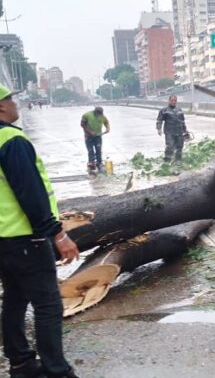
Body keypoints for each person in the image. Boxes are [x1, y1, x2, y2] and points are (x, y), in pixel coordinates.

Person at [0, 84, 80, 377]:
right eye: (11, 99)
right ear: (1, 106)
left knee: (14, 299)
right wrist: (58, 234)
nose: (15, 104)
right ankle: (56, 370)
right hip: (26, 238)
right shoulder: (10, 140)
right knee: (47, 305)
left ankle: (20, 363)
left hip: (3, 241)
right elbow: (31, 194)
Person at [156, 95, 187, 164]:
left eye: (175, 100)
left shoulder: (179, 110)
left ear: (176, 101)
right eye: (172, 100)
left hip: (179, 131)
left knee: (179, 147)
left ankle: (178, 160)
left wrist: (185, 130)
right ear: (169, 101)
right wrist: (159, 129)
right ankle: (167, 161)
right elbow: (159, 120)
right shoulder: (164, 110)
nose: (173, 102)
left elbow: (182, 121)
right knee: (170, 146)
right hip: (169, 132)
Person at [80, 106, 110, 172]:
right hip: (89, 136)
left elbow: (106, 122)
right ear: (95, 112)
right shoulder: (86, 115)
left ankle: (99, 163)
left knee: (98, 149)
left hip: (98, 135)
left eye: (100, 114)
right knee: (90, 150)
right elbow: (82, 125)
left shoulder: (102, 116)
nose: (99, 115)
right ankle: (91, 163)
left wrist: (107, 128)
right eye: (98, 114)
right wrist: (90, 132)